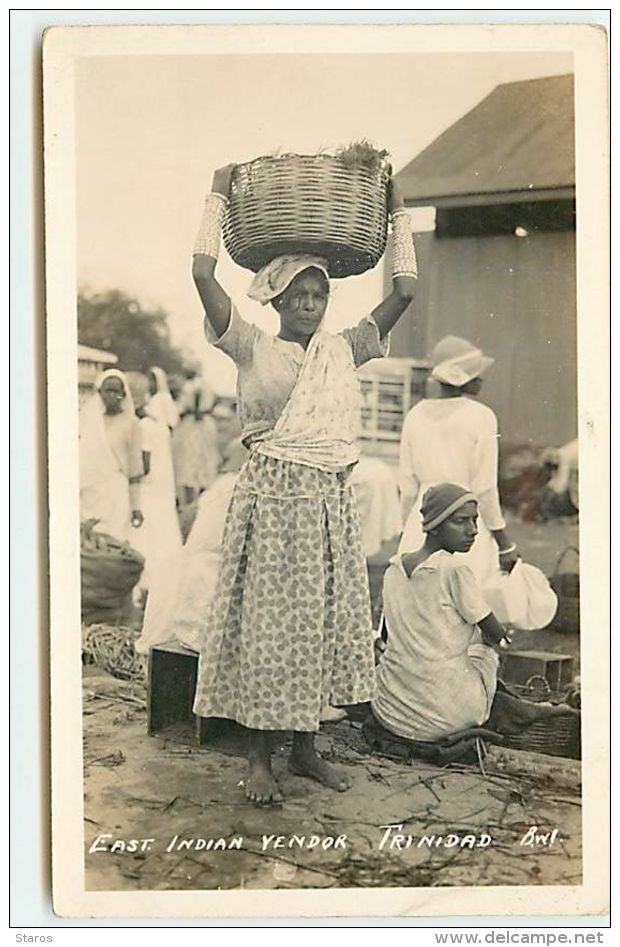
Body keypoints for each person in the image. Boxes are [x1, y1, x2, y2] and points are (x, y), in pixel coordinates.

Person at [190, 162, 418, 804]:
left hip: (324, 503)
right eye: (301, 295)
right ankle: (261, 758)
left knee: (316, 624)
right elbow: (203, 274)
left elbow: (404, 292)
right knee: (267, 627)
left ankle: (307, 749)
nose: (312, 305)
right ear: (278, 299)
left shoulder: (344, 349)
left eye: (320, 295)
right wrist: (217, 193)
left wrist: (398, 210)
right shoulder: (251, 347)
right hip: (270, 502)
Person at [372, 484, 511, 744]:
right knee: (484, 652)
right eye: (460, 522)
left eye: (474, 521)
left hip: (390, 710)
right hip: (446, 718)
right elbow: (496, 633)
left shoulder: (393, 569)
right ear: (434, 526)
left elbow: (387, 636)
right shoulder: (454, 569)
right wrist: (501, 636)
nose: (473, 530)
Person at [398, 335, 519, 583]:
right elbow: (484, 487)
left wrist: (407, 530)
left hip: (423, 521)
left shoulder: (415, 415)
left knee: (421, 595)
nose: (481, 379)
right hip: (464, 517)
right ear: (462, 377)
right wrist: (504, 543)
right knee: (465, 596)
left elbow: (407, 486)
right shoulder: (481, 416)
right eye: (475, 373)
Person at [127, 373, 183, 592]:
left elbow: (145, 465)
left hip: (150, 483)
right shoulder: (159, 426)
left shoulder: (144, 427)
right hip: (162, 483)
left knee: (148, 526)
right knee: (163, 523)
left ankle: (147, 575)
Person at [79, 369, 144, 542]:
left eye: (117, 391)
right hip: (90, 492)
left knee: (114, 541)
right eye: (108, 390)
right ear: (99, 392)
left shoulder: (131, 424)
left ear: (123, 394)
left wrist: (136, 506)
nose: (112, 395)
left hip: (116, 491)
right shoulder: (90, 421)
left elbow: (135, 468)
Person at [171, 363, 219, 505]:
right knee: (204, 461)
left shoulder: (190, 386)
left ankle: (191, 502)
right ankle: (202, 499)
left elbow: (185, 407)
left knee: (189, 462)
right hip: (206, 423)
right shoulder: (206, 385)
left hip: (193, 424)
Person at [147, 366, 179, 431]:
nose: (151, 384)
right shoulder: (148, 398)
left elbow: (171, 419)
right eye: (150, 380)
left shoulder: (165, 397)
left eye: (153, 381)